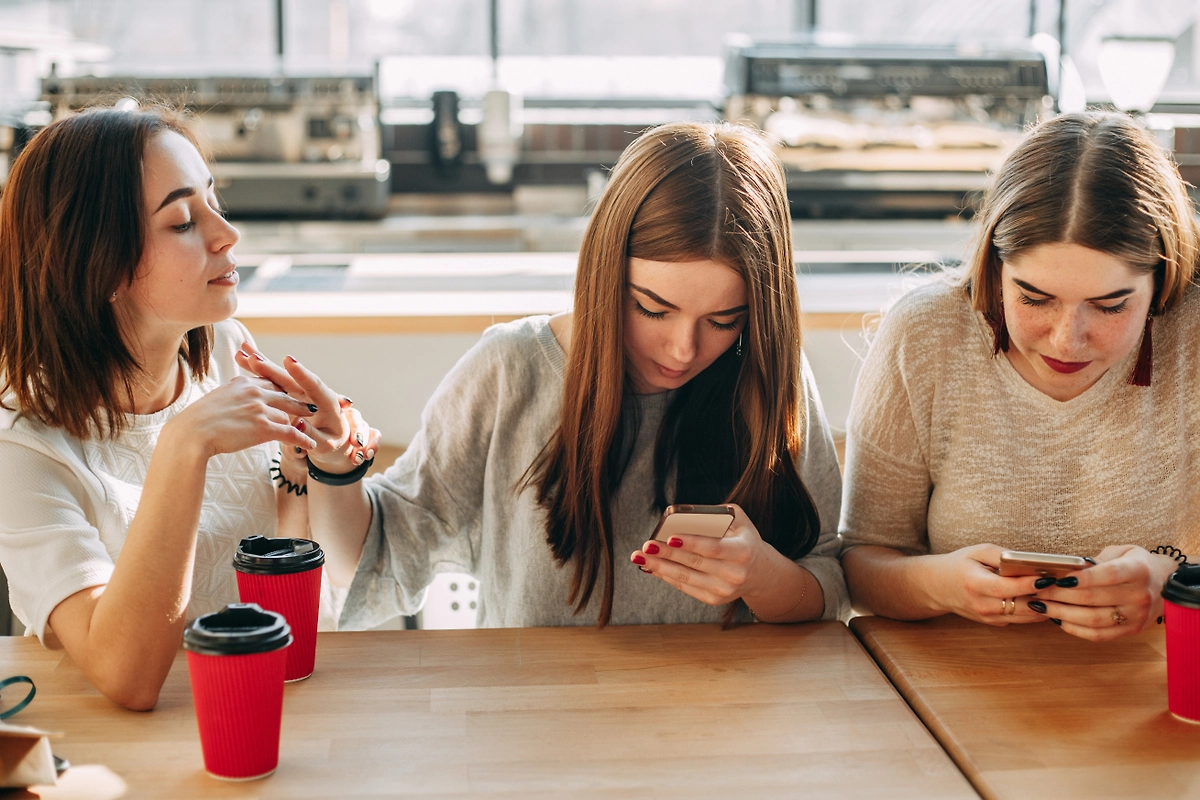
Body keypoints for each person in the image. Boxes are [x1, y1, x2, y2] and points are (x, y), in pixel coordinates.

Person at [244, 121, 849, 628]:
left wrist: (764, 576)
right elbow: (377, 563)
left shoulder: (770, 375)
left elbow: (827, 582)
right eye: (651, 308)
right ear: (603, 272)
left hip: (724, 725)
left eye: (723, 320)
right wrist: (334, 468)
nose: (684, 349)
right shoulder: (511, 371)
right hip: (534, 729)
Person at [0, 106, 376, 710]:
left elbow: (284, 559)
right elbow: (127, 677)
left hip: (256, 707)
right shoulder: (21, 448)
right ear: (97, 265)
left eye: (212, 201)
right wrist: (183, 446)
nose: (227, 233)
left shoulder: (226, 351)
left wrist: (316, 468)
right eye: (181, 221)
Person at [839, 111, 1200, 641]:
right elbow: (861, 565)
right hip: (952, 688)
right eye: (1033, 298)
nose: (1066, 339)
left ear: (1162, 284)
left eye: (1109, 306)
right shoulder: (925, 334)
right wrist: (941, 585)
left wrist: (1172, 583)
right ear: (993, 269)